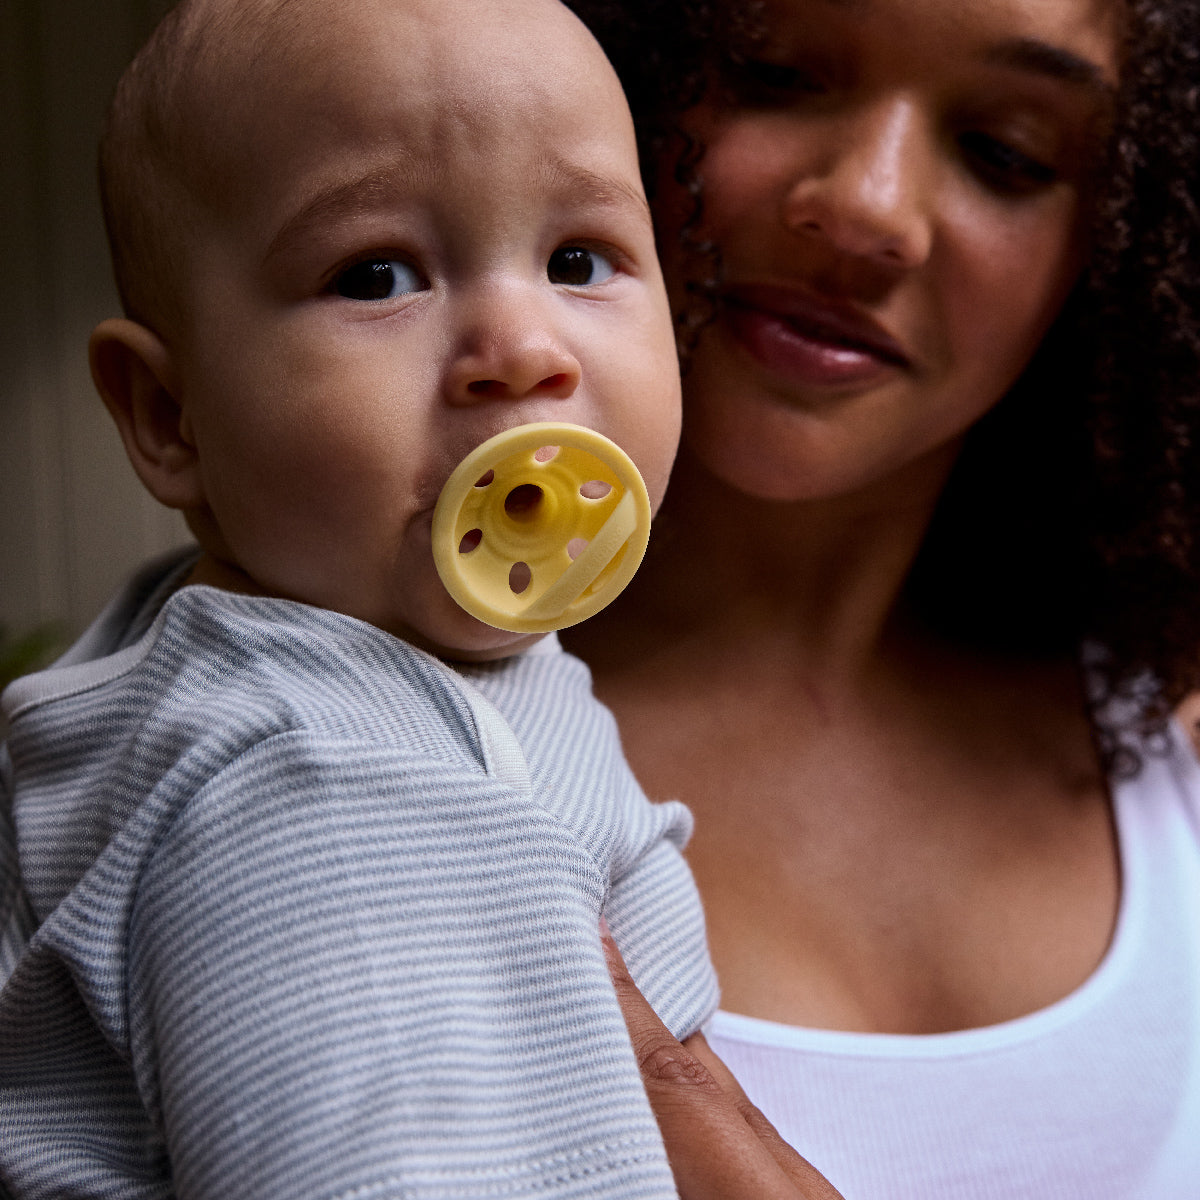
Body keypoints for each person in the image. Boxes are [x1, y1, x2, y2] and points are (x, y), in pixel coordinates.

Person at [0, 1, 726, 1196]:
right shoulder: (311, 777)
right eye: (377, 274)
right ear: (170, 419)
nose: (523, 344)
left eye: (579, 259)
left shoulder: (407, 666)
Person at [562, 0, 1200, 1195]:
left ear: (1119, 238)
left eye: (1008, 153)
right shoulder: (315, 739)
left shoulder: (1166, 753)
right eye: (775, 72)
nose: (865, 206)